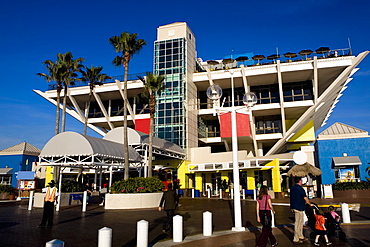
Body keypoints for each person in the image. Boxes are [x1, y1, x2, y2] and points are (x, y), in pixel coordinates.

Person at [290, 177, 312, 244]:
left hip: (294, 206)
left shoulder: (292, 188)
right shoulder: (300, 189)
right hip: (299, 207)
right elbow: (305, 197)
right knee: (298, 223)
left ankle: (300, 235)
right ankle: (296, 238)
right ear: (300, 181)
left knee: (300, 222)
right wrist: (310, 204)